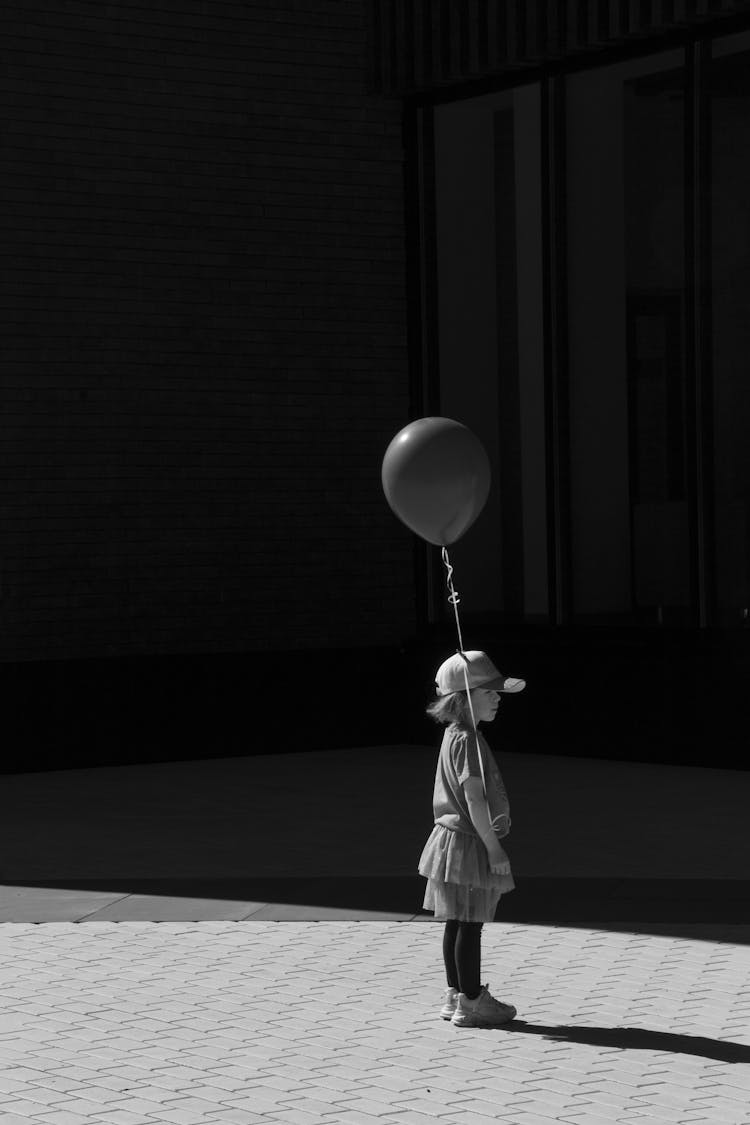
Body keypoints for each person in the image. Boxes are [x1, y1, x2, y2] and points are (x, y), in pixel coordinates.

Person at [417, 649, 525, 1028]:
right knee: (471, 922)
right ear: (464, 698)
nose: (497, 698)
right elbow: (475, 798)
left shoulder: (454, 735)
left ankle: (455, 994)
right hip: (467, 842)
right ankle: (473, 1000)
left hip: (449, 839)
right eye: (489, 692)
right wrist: (494, 848)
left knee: (457, 920)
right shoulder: (470, 742)